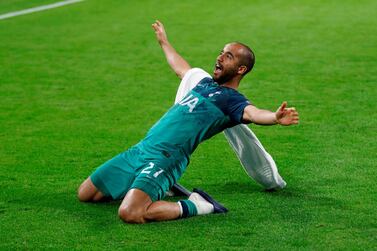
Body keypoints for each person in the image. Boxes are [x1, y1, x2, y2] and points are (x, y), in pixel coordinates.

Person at [77, 20, 299, 224]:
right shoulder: (203, 83)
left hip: (167, 159)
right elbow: (181, 68)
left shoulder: (232, 101)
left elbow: (254, 113)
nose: (220, 57)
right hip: (142, 149)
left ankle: (200, 205)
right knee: (87, 194)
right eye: (221, 52)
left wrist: (275, 118)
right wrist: (164, 42)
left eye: (228, 56)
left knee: (130, 213)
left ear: (241, 69)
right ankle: (157, 186)